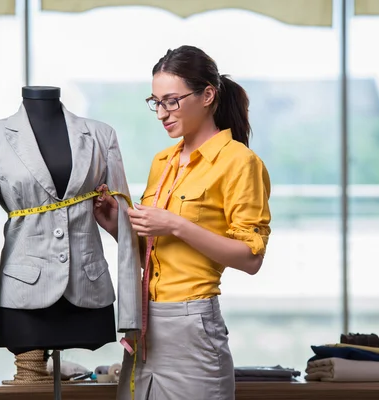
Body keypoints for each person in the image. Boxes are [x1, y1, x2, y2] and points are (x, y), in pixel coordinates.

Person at [93, 45, 272, 400]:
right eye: (155, 102)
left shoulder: (239, 162)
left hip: (192, 324)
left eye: (171, 101)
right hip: (143, 321)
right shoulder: (163, 161)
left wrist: (175, 224)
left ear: (208, 95)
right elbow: (155, 248)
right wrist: (116, 225)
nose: (161, 113)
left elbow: (251, 259)